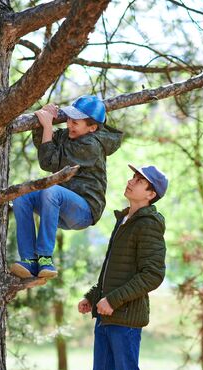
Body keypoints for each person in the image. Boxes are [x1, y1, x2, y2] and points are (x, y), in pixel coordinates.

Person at [78, 164, 176, 370]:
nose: (131, 181)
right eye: (133, 176)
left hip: (126, 320)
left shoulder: (148, 223)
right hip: (106, 318)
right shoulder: (124, 220)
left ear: (150, 194)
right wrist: (93, 297)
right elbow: (113, 271)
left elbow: (152, 274)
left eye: (139, 180)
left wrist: (114, 300)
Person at [10, 95, 123, 279]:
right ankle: (29, 261)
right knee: (21, 196)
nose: (69, 124)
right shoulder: (71, 135)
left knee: (51, 190)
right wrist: (44, 119)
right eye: (69, 119)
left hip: (83, 211)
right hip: (57, 204)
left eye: (75, 122)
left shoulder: (91, 145)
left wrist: (48, 126)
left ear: (92, 128)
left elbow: (49, 161)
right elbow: (46, 146)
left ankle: (45, 258)